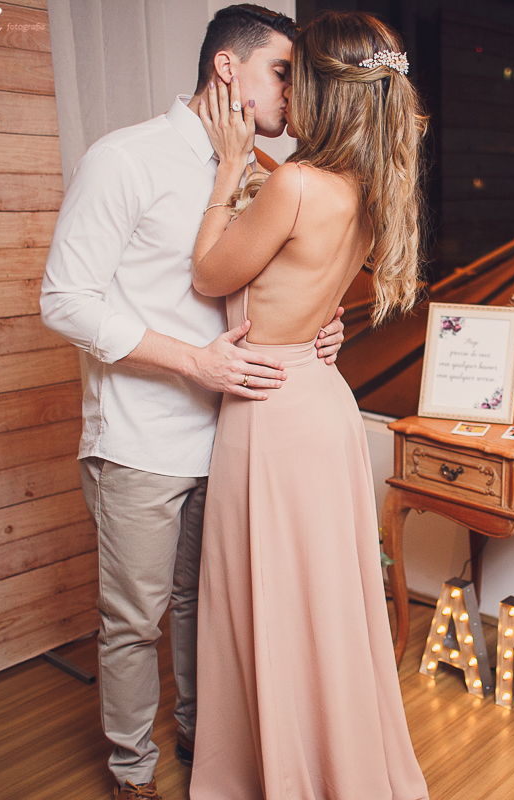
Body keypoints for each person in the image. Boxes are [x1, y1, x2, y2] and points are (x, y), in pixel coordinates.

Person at [39, 7, 346, 800]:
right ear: (227, 69)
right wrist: (194, 361)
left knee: (206, 608)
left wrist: (321, 323)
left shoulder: (274, 176)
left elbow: (272, 283)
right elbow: (64, 301)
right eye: (282, 72)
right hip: (139, 436)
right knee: (135, 619)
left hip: (238, 435)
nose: (295, 91)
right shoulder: (124, 159)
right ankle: (132, 774)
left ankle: (201, 742)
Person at [186, 11, 429, 800]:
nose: (288, 93)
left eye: (298, 79)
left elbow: (209, 274)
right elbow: (307, 291)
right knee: (326, 609)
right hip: (323, 401)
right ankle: (337, 766)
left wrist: (229, 170)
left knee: (272, 604)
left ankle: (284, 771)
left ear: (327, 92)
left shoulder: (293, 184)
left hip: (272, 411)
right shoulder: (368, 188)